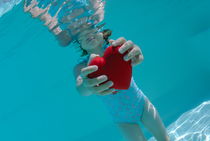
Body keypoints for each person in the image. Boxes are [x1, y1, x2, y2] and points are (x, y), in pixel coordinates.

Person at [73, 28, 170, 141]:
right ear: (80, 44)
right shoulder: (82, 67)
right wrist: (86, 85)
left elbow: (133, 53)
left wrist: (135, 54)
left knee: (164, 139)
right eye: (81, 35)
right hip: (122, 119)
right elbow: (80, 89)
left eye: (91, 29)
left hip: (142, 104)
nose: (86, 33)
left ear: (102, 33)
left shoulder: (116, 48)